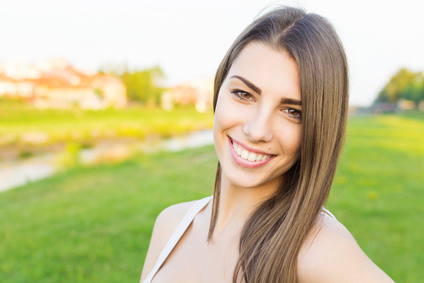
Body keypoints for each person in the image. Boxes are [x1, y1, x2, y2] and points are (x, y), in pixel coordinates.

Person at [140, 6, 394, 283]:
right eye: (243, 94)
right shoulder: (172, 225)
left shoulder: (318, 251)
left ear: (319, 128)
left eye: (293, 111)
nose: (256, 129)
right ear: (219, 89)